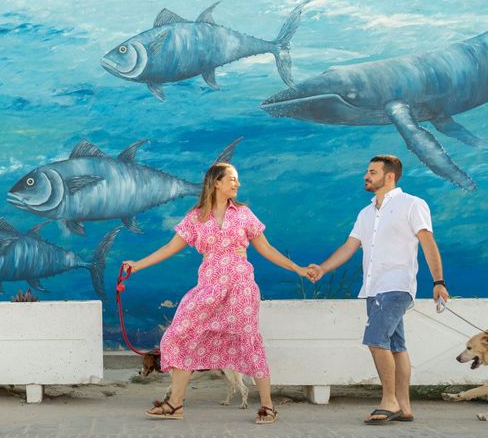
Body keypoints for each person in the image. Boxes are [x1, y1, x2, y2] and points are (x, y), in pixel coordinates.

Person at [122, 162, 313, 424]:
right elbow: (170, 247)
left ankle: (268, 407)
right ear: (216, 183)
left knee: (248, 341)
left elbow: (266, 249)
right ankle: (175, 404)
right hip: (209, 287)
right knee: (179, 335)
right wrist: (138, 264)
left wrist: (298, 269)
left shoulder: (244, 214)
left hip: (240, 286)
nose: (238, 184)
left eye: (237, 180)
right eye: (232, 179)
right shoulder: (196, 216)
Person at [308, 155, 449, 425]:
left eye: (372, 172)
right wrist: (323, 269)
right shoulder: (366, 213)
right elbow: (350, 247)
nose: (366, 176)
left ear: (389, 176)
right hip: (373, 288)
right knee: (396, 346)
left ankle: (389, 401)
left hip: (396, 285)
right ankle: (404, 406)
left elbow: (428, 242)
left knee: (375, 340)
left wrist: (438, 281)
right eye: (367, 171)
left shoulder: (412, 204)